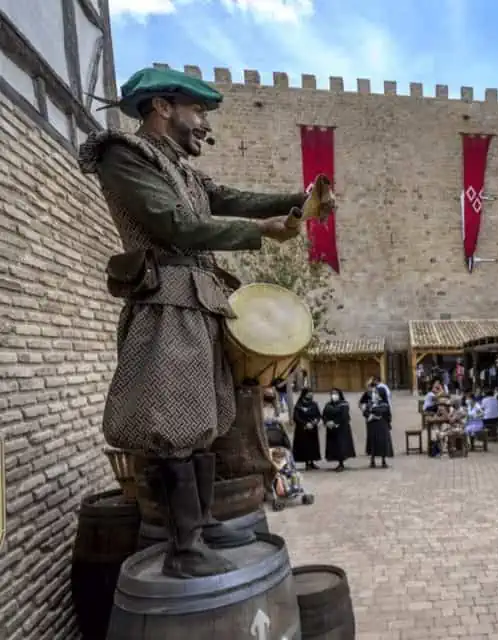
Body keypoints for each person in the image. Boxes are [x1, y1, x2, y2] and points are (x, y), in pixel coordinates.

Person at [79, 67, 333, 578]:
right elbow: (176, 226)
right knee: (172, 426)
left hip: (198, 302)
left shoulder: (184, 170)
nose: (204, 124)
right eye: (197, 111)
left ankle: (201, 524)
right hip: (165, 304)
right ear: (162, 107)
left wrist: (297, 202)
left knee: (205, 422)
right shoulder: (124, 156)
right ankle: (185, 546)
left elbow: (229, 199)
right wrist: (258, 230)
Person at [322, 388, 356, 472]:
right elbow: (324, 415)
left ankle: (341, 463)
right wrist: (327, 422)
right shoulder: (328, 405)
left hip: (341, 428)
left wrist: (335, 422)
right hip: (331, 429)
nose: (334, 395)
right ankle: (337, 461)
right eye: (332, 393)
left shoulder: (344, 404)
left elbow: (344, 416)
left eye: (335, 393)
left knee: (341, 446)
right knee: (334, 446)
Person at [363, 382, 395, 468]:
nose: (374, 394)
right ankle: (372, 460)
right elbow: (365, 412)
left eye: (376, 393)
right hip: (372, 426)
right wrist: (369, 415)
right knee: (373, 443)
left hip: (382, 427)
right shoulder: (370, 403)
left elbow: (386, 414)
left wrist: (374, 414)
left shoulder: (384, 404)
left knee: (382, 443)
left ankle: (383, 461)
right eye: (374, 393)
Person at [291, 390, 322, 471]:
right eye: (309, 393)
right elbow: (296, 417)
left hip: (312, 428)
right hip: (302, 429)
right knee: (305, 446)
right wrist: (305, 424)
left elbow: (318, 415)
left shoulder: (314, 404)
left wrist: (315, 422)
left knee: (313, 446)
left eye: (311, 393)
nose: (311, 395)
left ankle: (312, 462)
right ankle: (307, 463)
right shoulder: (299, 405)